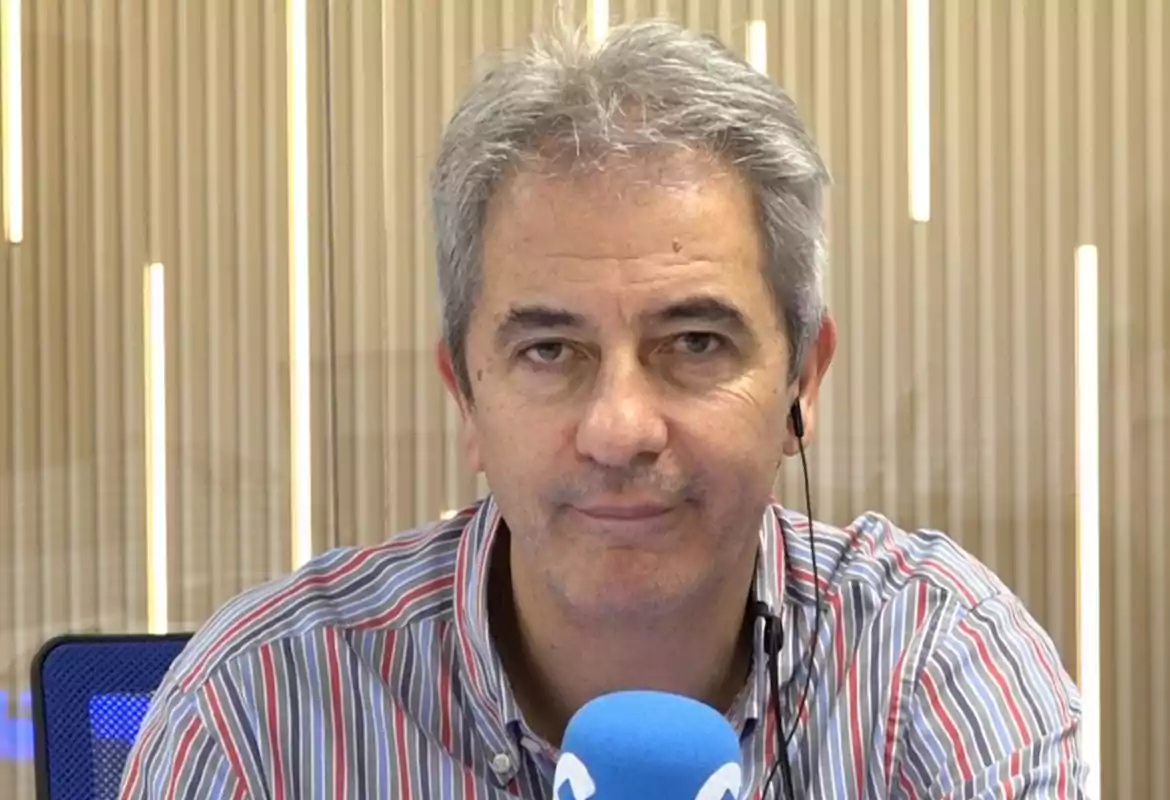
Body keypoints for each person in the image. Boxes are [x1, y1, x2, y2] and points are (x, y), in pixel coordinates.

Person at [120, 19, 1088, 799]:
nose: (621, 427)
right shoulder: (259, 714)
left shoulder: (930, 664)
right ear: (465, 395)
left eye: (695, 342)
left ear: (803, 381)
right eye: (550, 350)